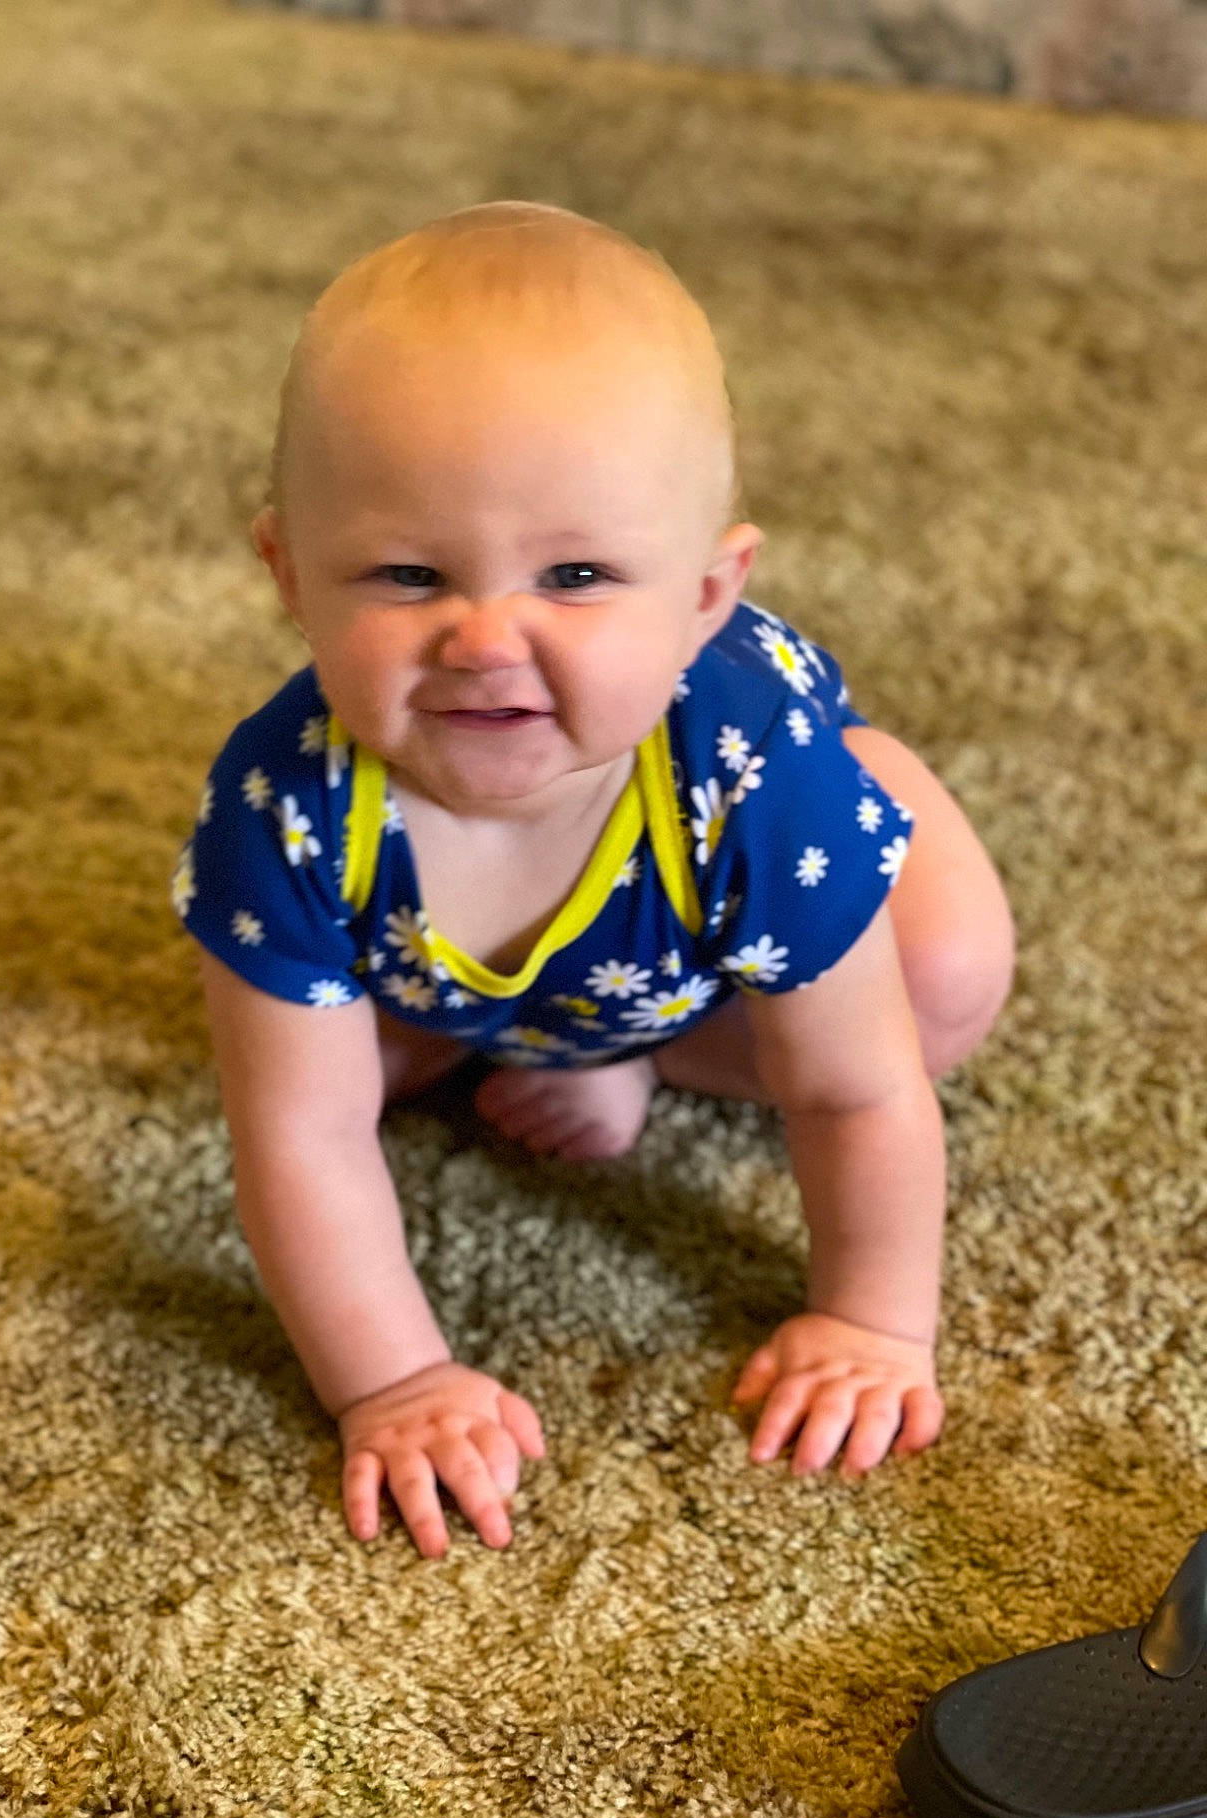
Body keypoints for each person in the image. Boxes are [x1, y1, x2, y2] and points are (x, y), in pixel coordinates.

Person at [172, 200, 1016, 1560]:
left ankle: (655, 1054)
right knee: (309, 1076)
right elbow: (299, 1143)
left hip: (725, 916)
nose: (486, 636)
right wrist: (391, 1383)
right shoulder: (286, 803)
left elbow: (852, 1091)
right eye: (406, 572)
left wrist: (869, 1322)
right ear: (288, 574)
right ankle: (571, 1045)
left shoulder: (751, 775)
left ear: (703, 594)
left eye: (576, 574)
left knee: (945, 989)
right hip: (469, 981)